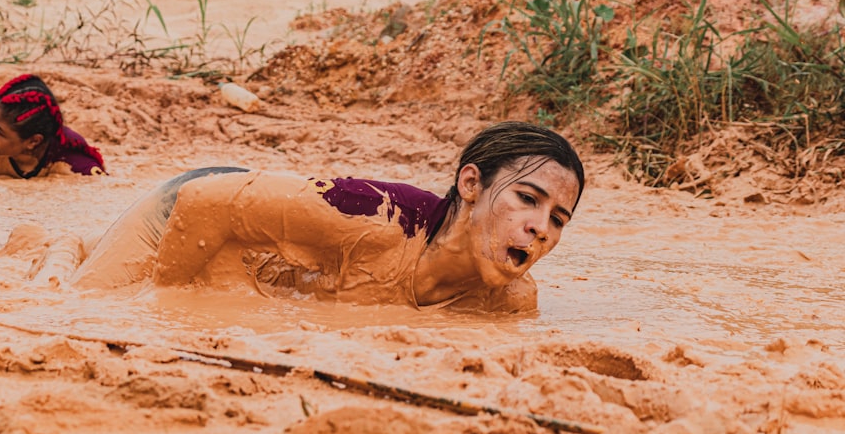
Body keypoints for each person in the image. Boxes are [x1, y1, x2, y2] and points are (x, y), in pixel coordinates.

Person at [70, 121, 583, 312]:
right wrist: (165, 302)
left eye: (559, 218)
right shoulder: (376, 219)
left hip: (254, 241)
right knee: (84, 300)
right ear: (471, 184)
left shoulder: (508, 300)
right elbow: (207, 202)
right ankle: (63, 247)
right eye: (527, 199)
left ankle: (96, 244)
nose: (540, 228)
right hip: (193, 205)